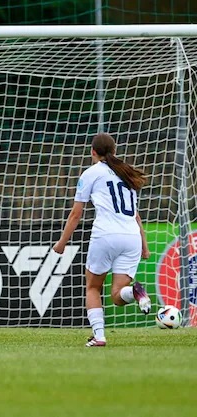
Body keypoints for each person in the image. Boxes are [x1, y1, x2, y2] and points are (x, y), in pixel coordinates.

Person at [53, 132, 151, 348]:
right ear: (114, 151)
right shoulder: (126, 174)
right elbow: (135, 215)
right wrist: (144, 245)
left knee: (93, 287)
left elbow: (76, 214)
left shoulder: (91, 174)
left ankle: (100, 337)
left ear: (93, 152)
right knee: (117, 296)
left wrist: (61, 243)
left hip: (106, 235)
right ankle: (135, 291)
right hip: (131, 237)